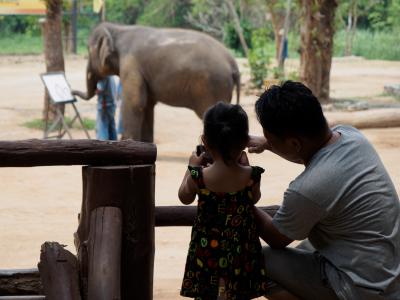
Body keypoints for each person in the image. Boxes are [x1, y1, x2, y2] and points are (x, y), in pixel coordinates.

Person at [247, 81, 400, 300]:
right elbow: (313, 156)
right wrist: (269, 143)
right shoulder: (351, 137)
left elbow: (276, 237)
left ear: (294, 144)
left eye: (272, 139)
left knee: (256, 260)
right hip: (386, 272)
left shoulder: (306, 189)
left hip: (361, 287)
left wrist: (237, 197)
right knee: (306, 245)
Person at [178, 102, 268, 300]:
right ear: (245, 141)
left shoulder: (198, 176)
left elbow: (184, 197)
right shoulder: (252, 175)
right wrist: (246, 166)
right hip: (241, 252)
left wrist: (191, 167)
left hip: (206, 252)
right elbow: (254, 198)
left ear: (205, 141)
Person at [96, 75, 118, 140]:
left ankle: (103, 147)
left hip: (105, 106)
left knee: (103, 127)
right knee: (112, 127)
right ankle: (115, 146)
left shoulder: (103, 77)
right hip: (112, 105)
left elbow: (99, 90)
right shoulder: (111, 76)